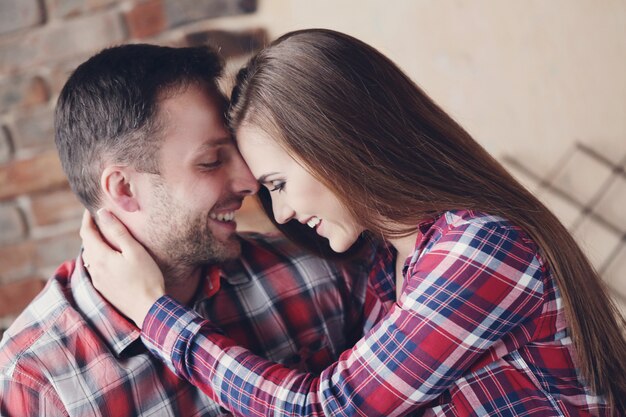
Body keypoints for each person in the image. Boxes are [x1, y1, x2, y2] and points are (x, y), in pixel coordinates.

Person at [82, 29, 626, 416]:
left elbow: (330, 408)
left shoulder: (481, 247)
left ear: (336, 145)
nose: (283, 211)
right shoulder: (385, 269)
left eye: (277, 183)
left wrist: (154, 312)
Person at [0, 43, 386, 416]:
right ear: (124, 189)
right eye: (212, 161)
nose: (250, 181)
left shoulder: (319, 272)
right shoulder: (38, 377)